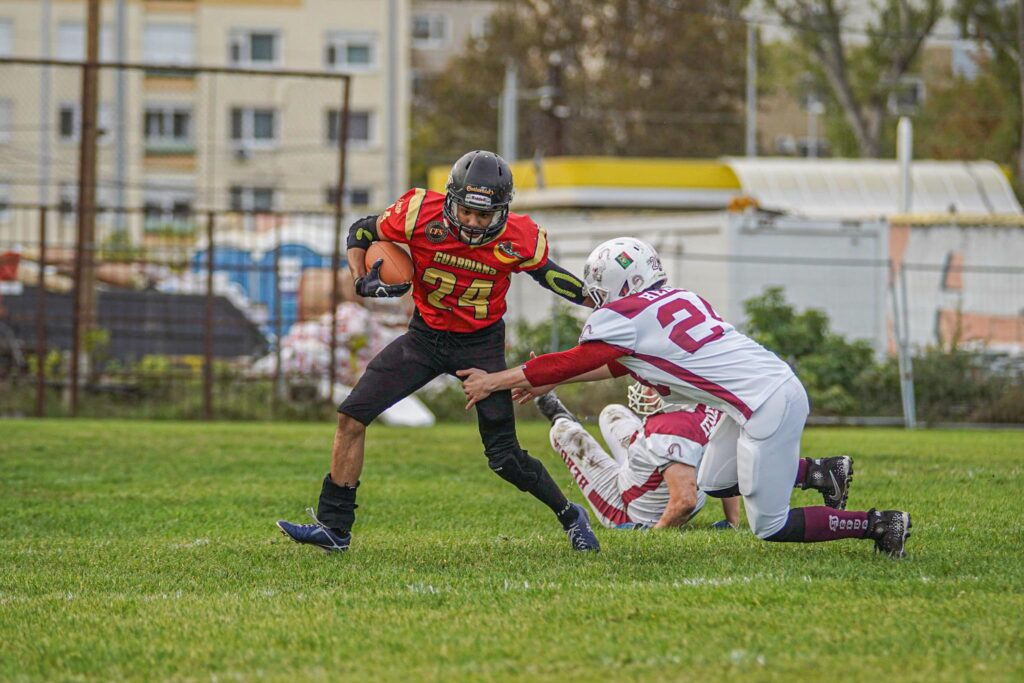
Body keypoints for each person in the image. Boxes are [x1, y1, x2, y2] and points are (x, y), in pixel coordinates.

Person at [459, 237, 912, 558]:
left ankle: (878, 523)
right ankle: (821, 473)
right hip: (763, 391)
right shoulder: (678, 299)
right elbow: (621, 363)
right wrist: (547, 382)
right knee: (715, 480)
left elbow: (575, 359)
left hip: (764, 404)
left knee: (770, 526)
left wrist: (493, 381)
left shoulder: (624, 315)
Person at [277, 150, 601, 553]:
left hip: (480, 345)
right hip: (424, 339)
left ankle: (570, 514)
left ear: (502, 211)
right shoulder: (418, 212)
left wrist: (598, 302)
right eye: (466, 211)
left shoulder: (519, 237)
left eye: (484, 215)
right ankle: (334, 527)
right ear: (451, 200)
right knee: (351, 416)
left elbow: (549, 275)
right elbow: (361, 231)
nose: (473, 222)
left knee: (504, 457)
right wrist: (361, 280)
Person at [533, 384, 742, 530]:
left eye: (653, 385)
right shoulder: (709, 404)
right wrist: (732, 520)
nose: (645, 389)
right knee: (612, 412)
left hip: (631, 511)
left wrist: (655, 533)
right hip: (649, 473)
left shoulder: (669, 430)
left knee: (564, 433)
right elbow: (723, 466)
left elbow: (684, 500)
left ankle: (558, 414)